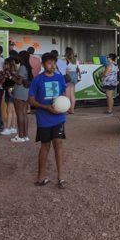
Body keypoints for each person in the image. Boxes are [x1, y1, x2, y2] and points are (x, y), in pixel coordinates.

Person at [28, 53, 68, 189]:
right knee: (45, 146)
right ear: (43, 64)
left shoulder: (60, 77)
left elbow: (64, 94)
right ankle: (41, 177)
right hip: (44, 118)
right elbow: (31, 100)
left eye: (54, 62)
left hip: (59, 118)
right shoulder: (37, 80)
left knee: (58, 144)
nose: (52, 65)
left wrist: (63, 103)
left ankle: (61, 178)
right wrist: (45, 107)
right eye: (49, 63)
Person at [10, 51, 32, 142]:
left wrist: (11, 77)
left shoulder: (22, 67)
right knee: (24, 114)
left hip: (19, 92)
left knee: (19, 115)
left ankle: (20, 136)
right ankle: (25, 135)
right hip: (26, 92)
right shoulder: (28, 67)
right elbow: (22, 78)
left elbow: (19, 82)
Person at [1, 57, 19, 136]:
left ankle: (8, 128)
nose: (4, 65)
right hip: (12, 91)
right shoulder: (13, 72)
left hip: (10, 91)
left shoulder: (11, 73)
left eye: (6, 64)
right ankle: (13, 127)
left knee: (9, 110)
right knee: (13, 111)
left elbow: (14, 81)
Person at [64, 48, 79, 114]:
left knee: (67, 94)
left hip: (68, 76)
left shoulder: (65, 60)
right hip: (74, 76)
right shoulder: (75, 60)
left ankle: (67, 110)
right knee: (72, 94)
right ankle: (72, 110)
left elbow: (64, 69)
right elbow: (77, 68)